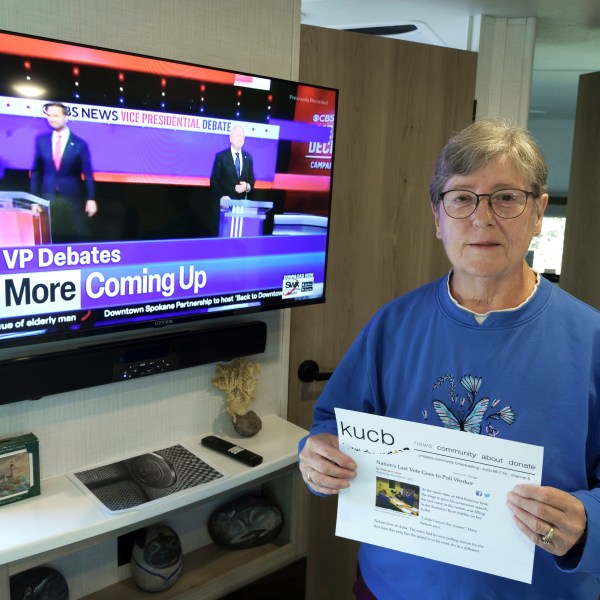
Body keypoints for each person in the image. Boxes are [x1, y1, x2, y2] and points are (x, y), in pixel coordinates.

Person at [298, 119, 600, 599]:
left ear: (539, 211)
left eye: (506, 197)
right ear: (437, 217)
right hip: (390, 587)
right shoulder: (392, 326)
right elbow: (330, 425)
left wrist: (589, 525)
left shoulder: (591, 339)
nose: (482, 219)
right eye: (461, 198)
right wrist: (318, 459)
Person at [30, 102, 96, 243]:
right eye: (49, 115)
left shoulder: (80, 144)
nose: (51, 119)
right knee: (48, 237)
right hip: (47, 198)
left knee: (75, 236)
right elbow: (36, 172)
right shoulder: (42, 141)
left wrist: (91, 198)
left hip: (72, 198)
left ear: (66, 117)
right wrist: (34, 200)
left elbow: (88, 174)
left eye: (56, 115)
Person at [210, 125, 255, 201]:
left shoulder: (248, 158)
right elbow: (214, 181)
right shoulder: (221, 157)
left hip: (242, 205)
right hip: (224, 205)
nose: (239, 138)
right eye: (237, 135)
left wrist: (247, 187)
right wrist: (221, 197)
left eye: (241, 136)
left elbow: (252, 180)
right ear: (230, 139)